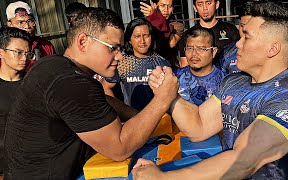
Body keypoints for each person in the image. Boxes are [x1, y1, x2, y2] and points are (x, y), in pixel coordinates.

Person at [133, 2, 288, 179]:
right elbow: (199, 126)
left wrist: (163, 178)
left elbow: (243, 161)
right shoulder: (234, 81)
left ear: (273, 48)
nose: (237, 43)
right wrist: (169, 95)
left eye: (247, 36)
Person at [4, 7, 178, 179]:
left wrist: (138, 116)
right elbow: (120, 148)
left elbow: (101, 100)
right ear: (83, 42)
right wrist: (163, 98)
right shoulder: (70, 82)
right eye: (113, 48)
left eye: (121, 49)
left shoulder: (53, 65)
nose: (119, 56)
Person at [219, 0, 288, 87]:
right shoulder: (228, 52)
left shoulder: (283, 55)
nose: (244, 33)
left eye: (249, 32)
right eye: (242, 27)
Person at [102, 18, 171, 110]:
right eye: (137, 36)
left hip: (159, 117)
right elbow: (106, 87)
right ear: (130, 40)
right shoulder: (123, 63)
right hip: (133, 118)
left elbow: (170, 92)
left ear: (151, 37)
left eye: (146, 35)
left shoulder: (162, 62)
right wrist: (121, 111)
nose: (142, 41)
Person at [0, 27, 33, 180]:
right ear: (1, 52)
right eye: (18, 52)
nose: (24, 58)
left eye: (28, 53)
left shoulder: (35, 83)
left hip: (34, 164)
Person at [179, 0, 240, 67]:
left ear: (217, 4)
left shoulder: (231, 30)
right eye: (200, 4)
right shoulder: (188, 35)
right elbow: (184, 66)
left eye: (208, 3)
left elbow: (239, 58)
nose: (205, 8)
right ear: (195, 8)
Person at [174, 27, 224, 106]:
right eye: (190, 48)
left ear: (213, 52)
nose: (194, 53)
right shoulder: (174, 78)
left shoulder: (225, 81)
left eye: (201, 49)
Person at [6, 1, 56, 71]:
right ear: (10, 25)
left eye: (30, 21)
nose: (27, 26)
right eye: (20, 22)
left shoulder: (46, 46)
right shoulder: (5, 49)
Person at [140, 0, 184, 70]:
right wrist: (153, 18)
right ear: (155, 7)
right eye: (162, 5)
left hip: (169, 68)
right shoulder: (144, 25)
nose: (166, 10)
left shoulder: (177, 26)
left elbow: (171, 43)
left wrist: (156, 18)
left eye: (169, 6)